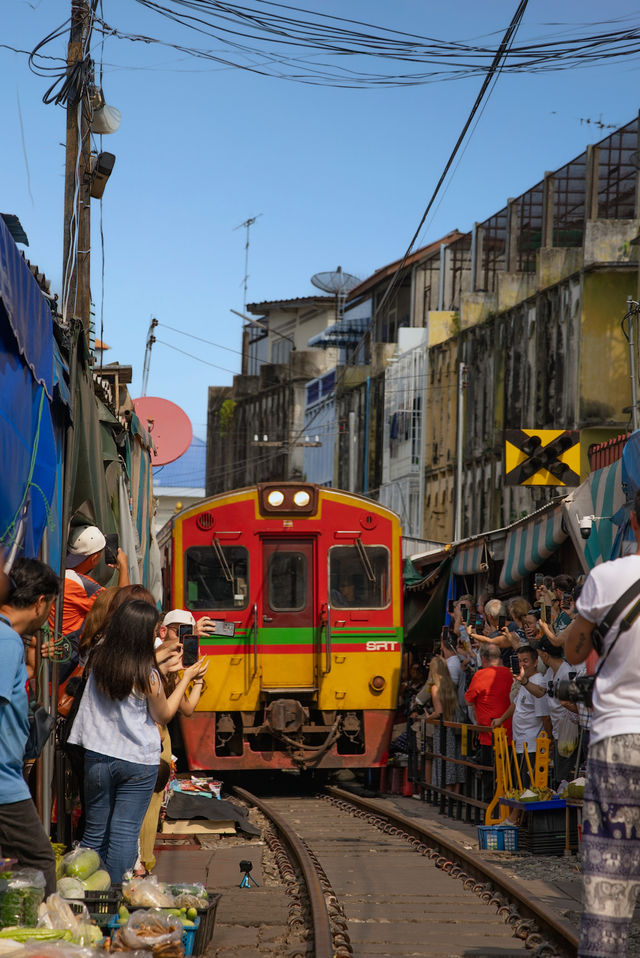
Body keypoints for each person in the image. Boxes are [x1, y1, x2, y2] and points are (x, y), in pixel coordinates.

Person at [67, 599, 208, 882]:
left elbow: (130, 660)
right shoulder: (148, 674)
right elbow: (165, 713)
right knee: (123, 831)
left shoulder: (100, 658)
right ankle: (117, 892)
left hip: (97, 756)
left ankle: (86, 895)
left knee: (94, 831)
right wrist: (187, 678)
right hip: (136, 763)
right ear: (146, 632)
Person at [564, 487, 640, 958]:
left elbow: (573, 651)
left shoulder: (606, 577)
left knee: (610, 890)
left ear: (633, 523)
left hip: (618, 739)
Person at [0, 558, 59, 896]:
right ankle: (39, 940)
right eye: (50, 605)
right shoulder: (8, 642)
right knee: (38, 860)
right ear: (40, 602)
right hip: (5, 784)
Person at [138, 609, 209, 874]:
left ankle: (144, 860)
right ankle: (142, 862)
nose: (183, 637)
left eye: (187, 633)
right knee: (148, 799)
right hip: (149, 733)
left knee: (155, 800)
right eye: (179, 630)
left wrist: (197, 681)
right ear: (162, 631)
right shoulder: (151, 656)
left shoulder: (175, 661)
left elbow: (187, 708)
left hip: (162, 734)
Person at [48, 525, 129, 681]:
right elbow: (121, 607)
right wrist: (124, 568)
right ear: (94, 558)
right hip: (64, 661)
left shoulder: (57, 573)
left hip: (50, 653)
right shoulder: (83, 586)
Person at [491, 645, 551, 787]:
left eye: (525, 661)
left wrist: (549, 740)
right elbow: (516, 705)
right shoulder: (524, 681)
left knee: (528, 787)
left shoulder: (537, 681)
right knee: (519, 785)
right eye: (519, 661)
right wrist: (501, 719)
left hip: (532, 744)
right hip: (520, 742)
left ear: (535, 662)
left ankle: (521, 810)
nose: (522, 665)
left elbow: (545, 717)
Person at [464, 644, 514, 794]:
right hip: (510, 734)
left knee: (490, 776)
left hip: (488, 734)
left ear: (483, 658)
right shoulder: (510, 674)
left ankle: (490, 808)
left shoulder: (480, 675)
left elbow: (468, 700)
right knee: (508, 774)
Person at [428, 657, 466, 792]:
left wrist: (427, 718)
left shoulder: (435, 687)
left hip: (443, 729)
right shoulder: (451, 684)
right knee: (457, 759)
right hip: (455, 726)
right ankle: (456, 793)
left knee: (444, 759)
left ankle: (445, 793)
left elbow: (439, 712)